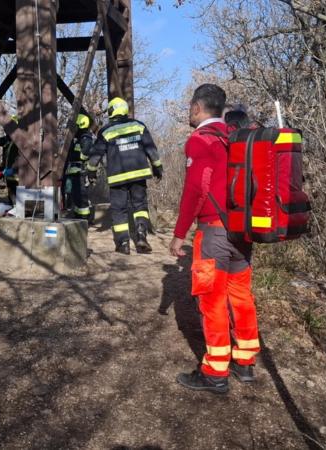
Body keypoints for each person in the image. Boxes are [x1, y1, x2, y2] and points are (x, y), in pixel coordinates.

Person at [169, 85, 259, 394]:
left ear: (196, 107)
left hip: (213, 233)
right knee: (241, 296)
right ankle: (245, 363)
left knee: (212, 300)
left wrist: (179, 234)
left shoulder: (200, 140)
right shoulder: (236, 136)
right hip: (242, 232)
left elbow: (196, 190)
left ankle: (215, 371)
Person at [86, 97, 162, 255]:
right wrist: (157, 167)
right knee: (140, 206)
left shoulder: (106, 131)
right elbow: (151, 150)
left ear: (112, 112)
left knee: (119, 210)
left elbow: (96, 154)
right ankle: (141, 236)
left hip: (117, 177)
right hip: (139, 175)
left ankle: (123, 243)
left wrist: (91, 171)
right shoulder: (138, 126)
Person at [62, 114, 95, 223]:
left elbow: (85, 155)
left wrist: (74, 154)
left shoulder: (86, 138)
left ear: (80, 125)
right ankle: (78, 214)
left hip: (81, 171)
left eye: (75, 126)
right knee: (75, 195)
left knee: (82, 195)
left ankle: (85, 217)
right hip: (73, 171)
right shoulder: (77, 139)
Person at [0, 115, 20, 205]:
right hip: (7, 167)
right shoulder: (7, 140)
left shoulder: (18, 139)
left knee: (15, 187)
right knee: (9, 187)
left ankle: (16, 205)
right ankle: (12, 205)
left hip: (14, 168)